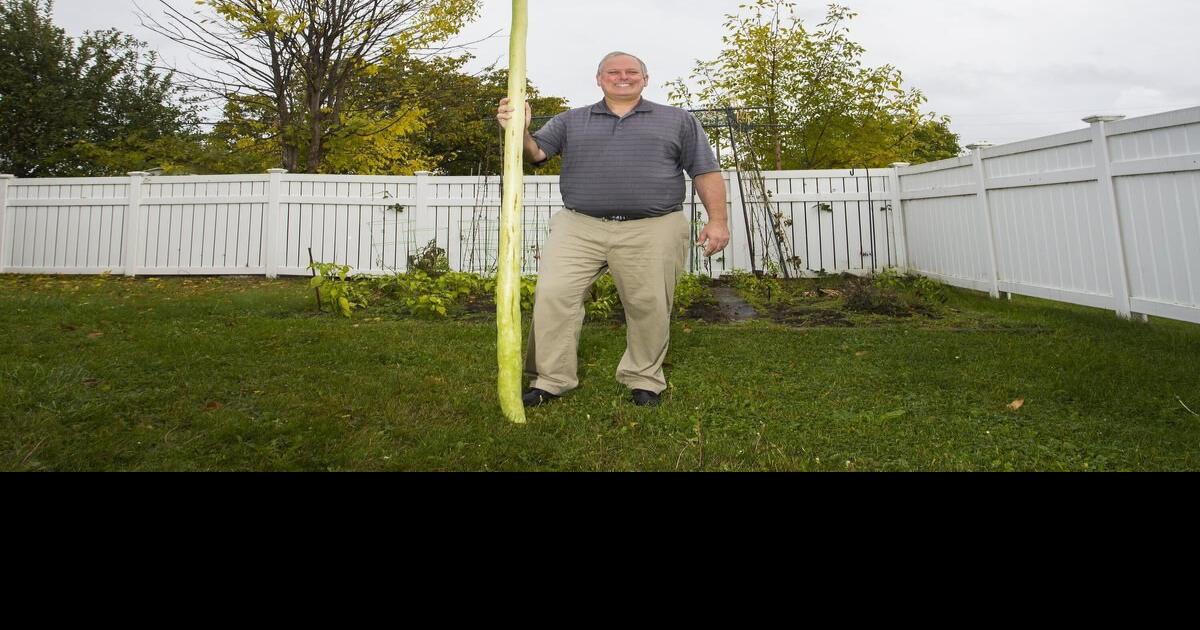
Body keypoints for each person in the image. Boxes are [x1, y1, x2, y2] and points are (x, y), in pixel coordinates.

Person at [496, 51, 729, 408]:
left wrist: (718, 221)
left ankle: (644, 379)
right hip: (579, 226)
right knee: (554, 295)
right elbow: (535, 153)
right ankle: (550, 379)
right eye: (613, 72)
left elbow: (705, 171)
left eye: (632, 72)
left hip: (654, 226)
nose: (623, 77)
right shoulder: (571, 120)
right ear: (599, 79)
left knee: (649, 304)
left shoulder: (678, 120)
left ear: (645, 79)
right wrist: (520, 130)